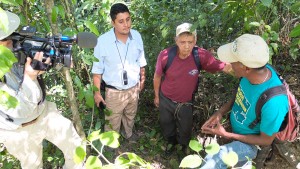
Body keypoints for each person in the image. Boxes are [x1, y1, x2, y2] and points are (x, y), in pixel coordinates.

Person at [0, 11, 84, 169]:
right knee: (33, 165)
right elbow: (19, 110)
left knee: (75, 147)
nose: (12, 40)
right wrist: (30, 77)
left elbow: (43, 59)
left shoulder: (17, 46)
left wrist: (58, 59)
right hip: (18, 131)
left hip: (43, 113)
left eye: (13, 34)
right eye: (5, 38)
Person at [200, 34, 289, 168]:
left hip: (250, 145)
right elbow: (240, 93)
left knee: (215, 158)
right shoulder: (254, 72)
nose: (229, 64)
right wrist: (220, 112)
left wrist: (226, 134)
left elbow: (265, 140)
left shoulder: (274, 103)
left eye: (232, 61)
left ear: (246, 68)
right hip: (236, 130)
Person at [153, 23, 232, 158]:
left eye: (190, 42)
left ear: (195, 40)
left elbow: (222, 66)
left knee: (185, 127)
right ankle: (170, 143)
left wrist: (244, 71)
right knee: (166, 123)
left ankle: (183, 148)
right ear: (176, 40)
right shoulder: (166, 55)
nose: (186, 46)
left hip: (186, 102)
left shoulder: (200, 55)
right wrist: (156, 96)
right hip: (166, 98)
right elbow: (157, 76)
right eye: (182, 42)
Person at [92, 3, 147, 141]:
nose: (126, 25)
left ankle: (128, 134)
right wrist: (97, 93)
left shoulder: (137, 36)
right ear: (113, 22)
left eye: (128, 19)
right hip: (114, 91)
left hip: (133, 88)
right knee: (112, 119)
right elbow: (97, 71)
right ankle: (110, 145)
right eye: (121, 21)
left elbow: (141, 61)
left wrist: (142, 80)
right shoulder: (102, 42)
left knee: (130, 114)